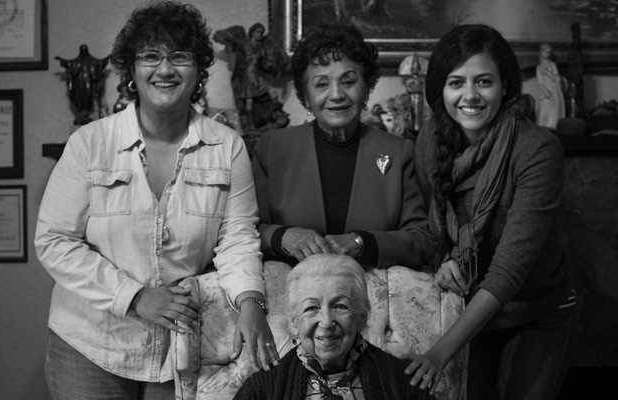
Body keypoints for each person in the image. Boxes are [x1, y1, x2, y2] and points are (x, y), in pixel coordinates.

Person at [35, 2, 279, 399]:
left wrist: (251, 301)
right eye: (150, 56)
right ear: (131, 70)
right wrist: (134, 297)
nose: (164, 69)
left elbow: (236, 237)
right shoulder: (89, 143)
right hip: (88, 343)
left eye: (179, 57)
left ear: (199, 71)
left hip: (177, 347)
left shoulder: (227, 146)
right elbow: (54, 241)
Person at [408, 24, 575, 399]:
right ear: (440, 89)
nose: (470, 95)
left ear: (505, 86)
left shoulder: (537, 149)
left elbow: (507, 272)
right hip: (469, 311)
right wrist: (443, 260)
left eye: (484, 81)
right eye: (456, 83)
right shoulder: (430, 139)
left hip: (537, 310)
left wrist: (438, 355)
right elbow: (431, 224)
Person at [252, 24, 436, 269]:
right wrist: (282, 236)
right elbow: (245, 230)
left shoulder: (399, 151)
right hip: (292, 287)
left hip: (371, 289)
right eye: (321, 84)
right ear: (305, 96)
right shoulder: (272, 148)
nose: (337, 94)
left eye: (348, 81)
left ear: (367, 89)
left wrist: (362, 243)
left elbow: (422, 240)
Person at [234, 254, 435, 399]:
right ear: (294, 322)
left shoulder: (403, 382)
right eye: (311, 308)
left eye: (340, 306)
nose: (327, 322)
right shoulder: (262, 389)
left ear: (361, 318)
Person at [535, 43, 565, 130]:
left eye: (549, 52)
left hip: (554, 91)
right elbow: (540, 83)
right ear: (540, 52)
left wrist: (547, 73)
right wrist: (548, 94)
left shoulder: (552, 65)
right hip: (545, 93)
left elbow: (558, 79)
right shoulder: (539, 67)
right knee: (543, 117)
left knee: (554, 116)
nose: (547, 54)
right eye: (545, 52)